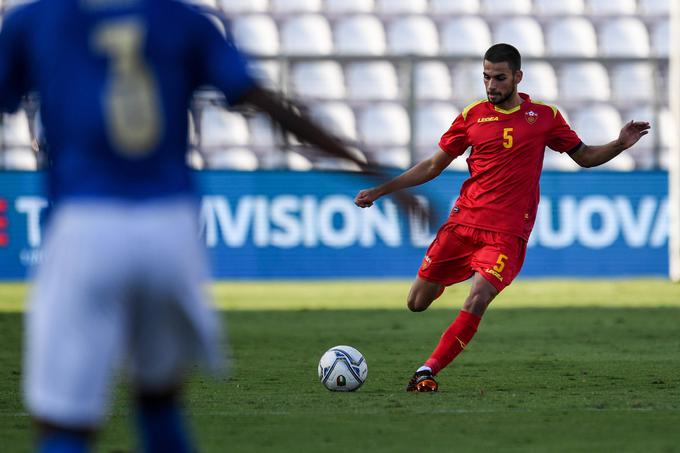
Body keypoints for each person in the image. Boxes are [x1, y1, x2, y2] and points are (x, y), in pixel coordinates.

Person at [0, 1, 372, 452]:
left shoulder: (37, 18)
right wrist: (364, 167)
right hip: (169, 227)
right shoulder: (184, 19)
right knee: (158, 400)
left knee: (63, 425)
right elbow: (265, 102)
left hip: (85, 223)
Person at [354, 43, 650, 393]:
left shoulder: (545, 117)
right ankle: (454, 272)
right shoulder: (471, 116)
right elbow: (433, 165)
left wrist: (618, 144)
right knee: (416, 303)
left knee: (478, 297)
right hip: (462, 225)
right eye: (486, 77)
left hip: (506, 234)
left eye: (499, 78)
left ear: (517, 78)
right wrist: (381, 190)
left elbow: (583, 156)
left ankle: (426, 371)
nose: (491, 85)